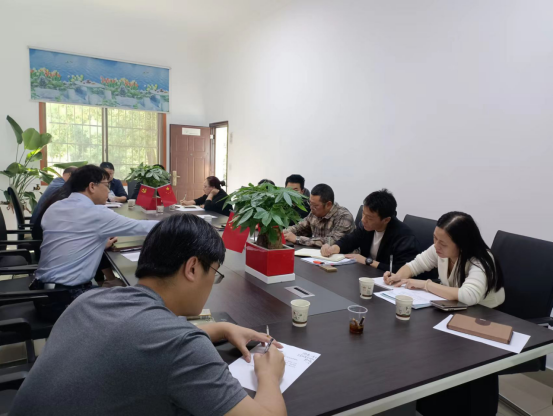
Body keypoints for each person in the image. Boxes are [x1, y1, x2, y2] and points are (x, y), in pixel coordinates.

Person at [10, 214, 287, 416]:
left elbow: (143, 342)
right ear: (192, 268)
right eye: (214, 273)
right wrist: (269, 374)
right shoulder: (182, 347)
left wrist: (222, 328)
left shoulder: (90, 299)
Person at [32, 165, 159, 316]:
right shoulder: (96, 213)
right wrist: (180, 222)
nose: (108, 191)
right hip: (67, 299)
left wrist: (99, 244)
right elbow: (142, 227)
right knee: (140, 302)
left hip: (41, 293)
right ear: (92, 186)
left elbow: (68, 239)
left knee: (122, 292)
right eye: (107, 185)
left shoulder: (55, 207)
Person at [384, 211, 505, 308]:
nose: (436, 245)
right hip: (455, 306)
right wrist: (398, 276)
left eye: (443, 243)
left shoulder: (481, 260)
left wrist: (426, 284)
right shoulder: (439, 249)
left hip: (485, 314)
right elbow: (415, 265)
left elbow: (468, 296)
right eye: (435, 238)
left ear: (462, 244)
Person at [321, 189, 419, 273]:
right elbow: (350, 240)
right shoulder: (365, 226)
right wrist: (334, 248)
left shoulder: (404, 236)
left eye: (369, 218)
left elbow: (402, 270)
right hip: (366, 274)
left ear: (386, 220)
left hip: (387, 281)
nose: (363, 220)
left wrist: (367, 261)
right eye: (363, 214)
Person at [283, 183, 354, 247]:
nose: (311, 208)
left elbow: (332, 241)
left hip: (343, 256)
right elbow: (299, 227)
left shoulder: (344, 217)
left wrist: (298, 239)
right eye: (310, 203)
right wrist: (285, 232)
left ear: (328, 205)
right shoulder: (314, 213)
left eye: (315, 206)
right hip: (318, 254)